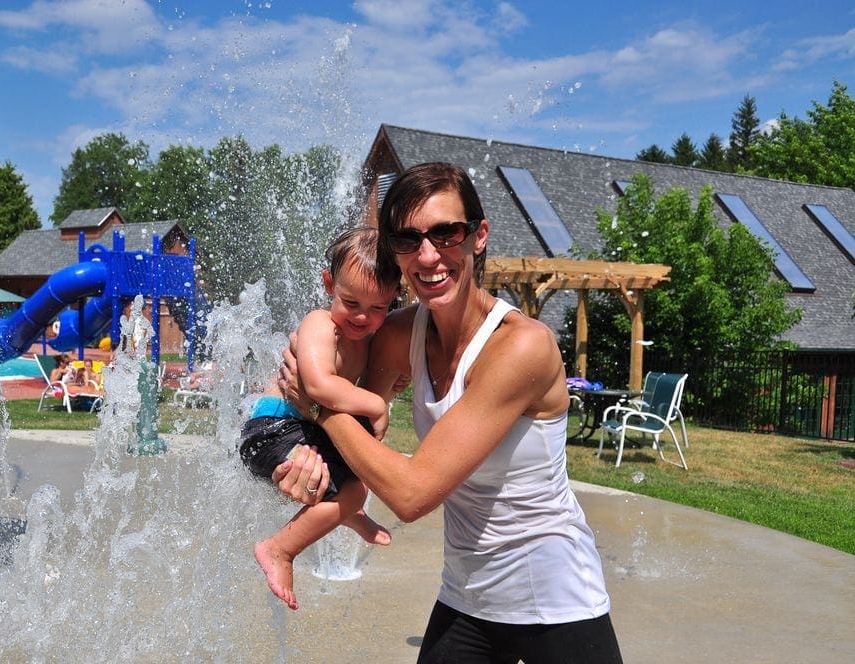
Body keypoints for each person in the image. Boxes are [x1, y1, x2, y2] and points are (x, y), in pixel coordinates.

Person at [274, 163, 623, 663]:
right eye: (409, 239)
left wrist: (319, 408)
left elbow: (412, 494)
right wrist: (306, 459)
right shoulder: (398, 334)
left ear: (478, 236)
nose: (429, 255)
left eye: (447, 233)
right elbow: (353, 434)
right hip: (466, 595)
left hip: (553, 598)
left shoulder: (522, 347)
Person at [238, 226, 401, 611]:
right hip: (272, 429)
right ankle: (279, 549)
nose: (363, 316)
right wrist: (376, 405)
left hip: (303, 427)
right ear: (329, 284)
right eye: (351, 302)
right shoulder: (321, 324)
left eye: (378, 307)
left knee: (357, 485)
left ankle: (348, 513)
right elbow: (316, 385)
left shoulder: (364, 337)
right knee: (347, 485)